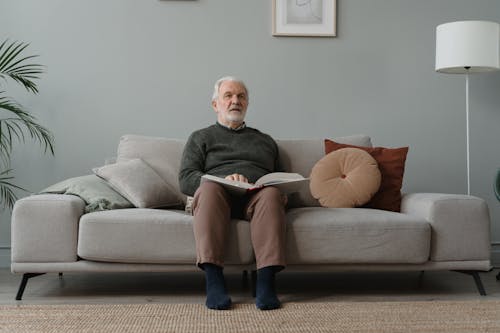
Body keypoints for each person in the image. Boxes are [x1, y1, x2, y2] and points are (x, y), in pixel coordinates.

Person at [178, 76, 287, 311]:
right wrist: (222, 180)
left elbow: (281, 177)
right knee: (208, 189)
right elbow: (186, 178)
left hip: (257, 197)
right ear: (216, 104)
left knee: (271, 194)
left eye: (241, 96)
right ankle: (214, 281)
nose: (235, 101)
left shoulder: (265, 141)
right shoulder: (201, 137)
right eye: (228, 96)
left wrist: (276, 188)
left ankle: (266, 283)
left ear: (247, 103)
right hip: (217, 195)